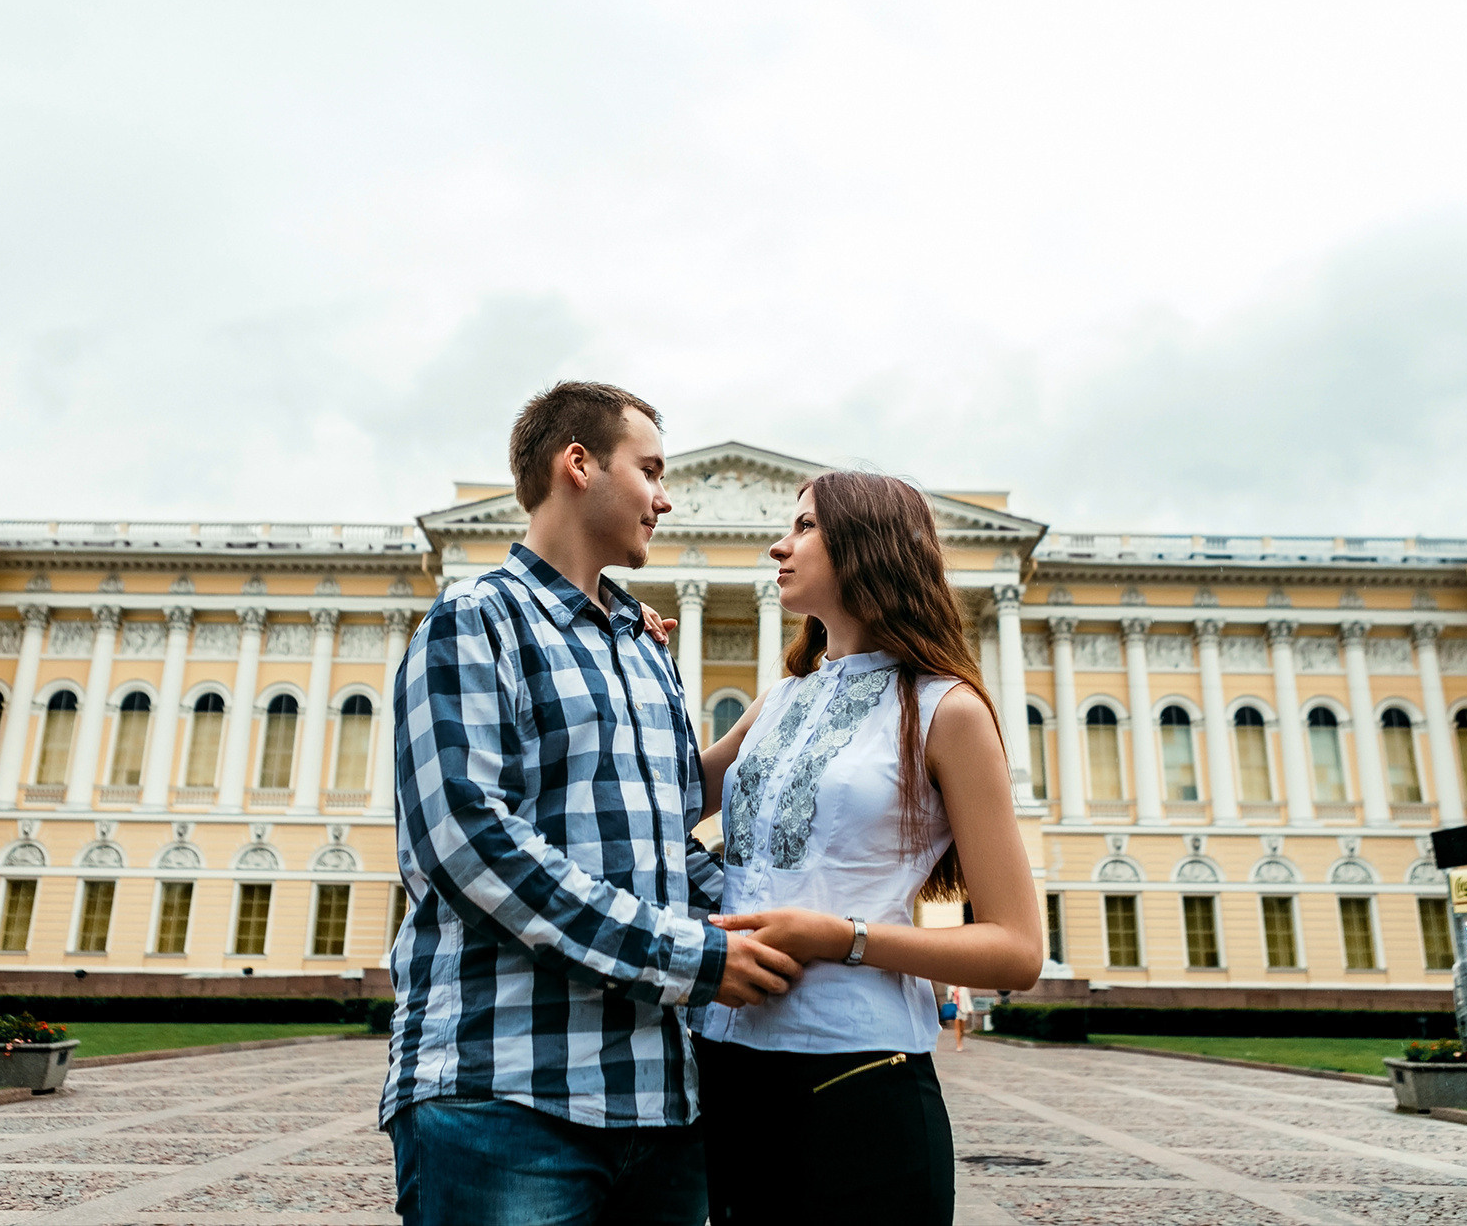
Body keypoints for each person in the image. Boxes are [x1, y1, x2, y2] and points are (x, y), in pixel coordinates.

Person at [378, 381, 803, 1226]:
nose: (666, 495)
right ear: (579, 464)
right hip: (504, 1099)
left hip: (661, 1109)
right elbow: (471, 843)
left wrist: (815, 929)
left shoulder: (643, 652)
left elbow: (665, 837)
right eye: (649, 470)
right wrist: (696, 957)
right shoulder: (474, 622)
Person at [690, 470, 1045, 1226]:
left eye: (807, 526)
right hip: (722, 1067)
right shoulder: (779, 698)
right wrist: (629, 659)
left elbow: (1017, 948)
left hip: (858, 1082)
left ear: (866, 547)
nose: (780, 544)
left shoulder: (947, 710)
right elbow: (668, 796)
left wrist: (840, 937)